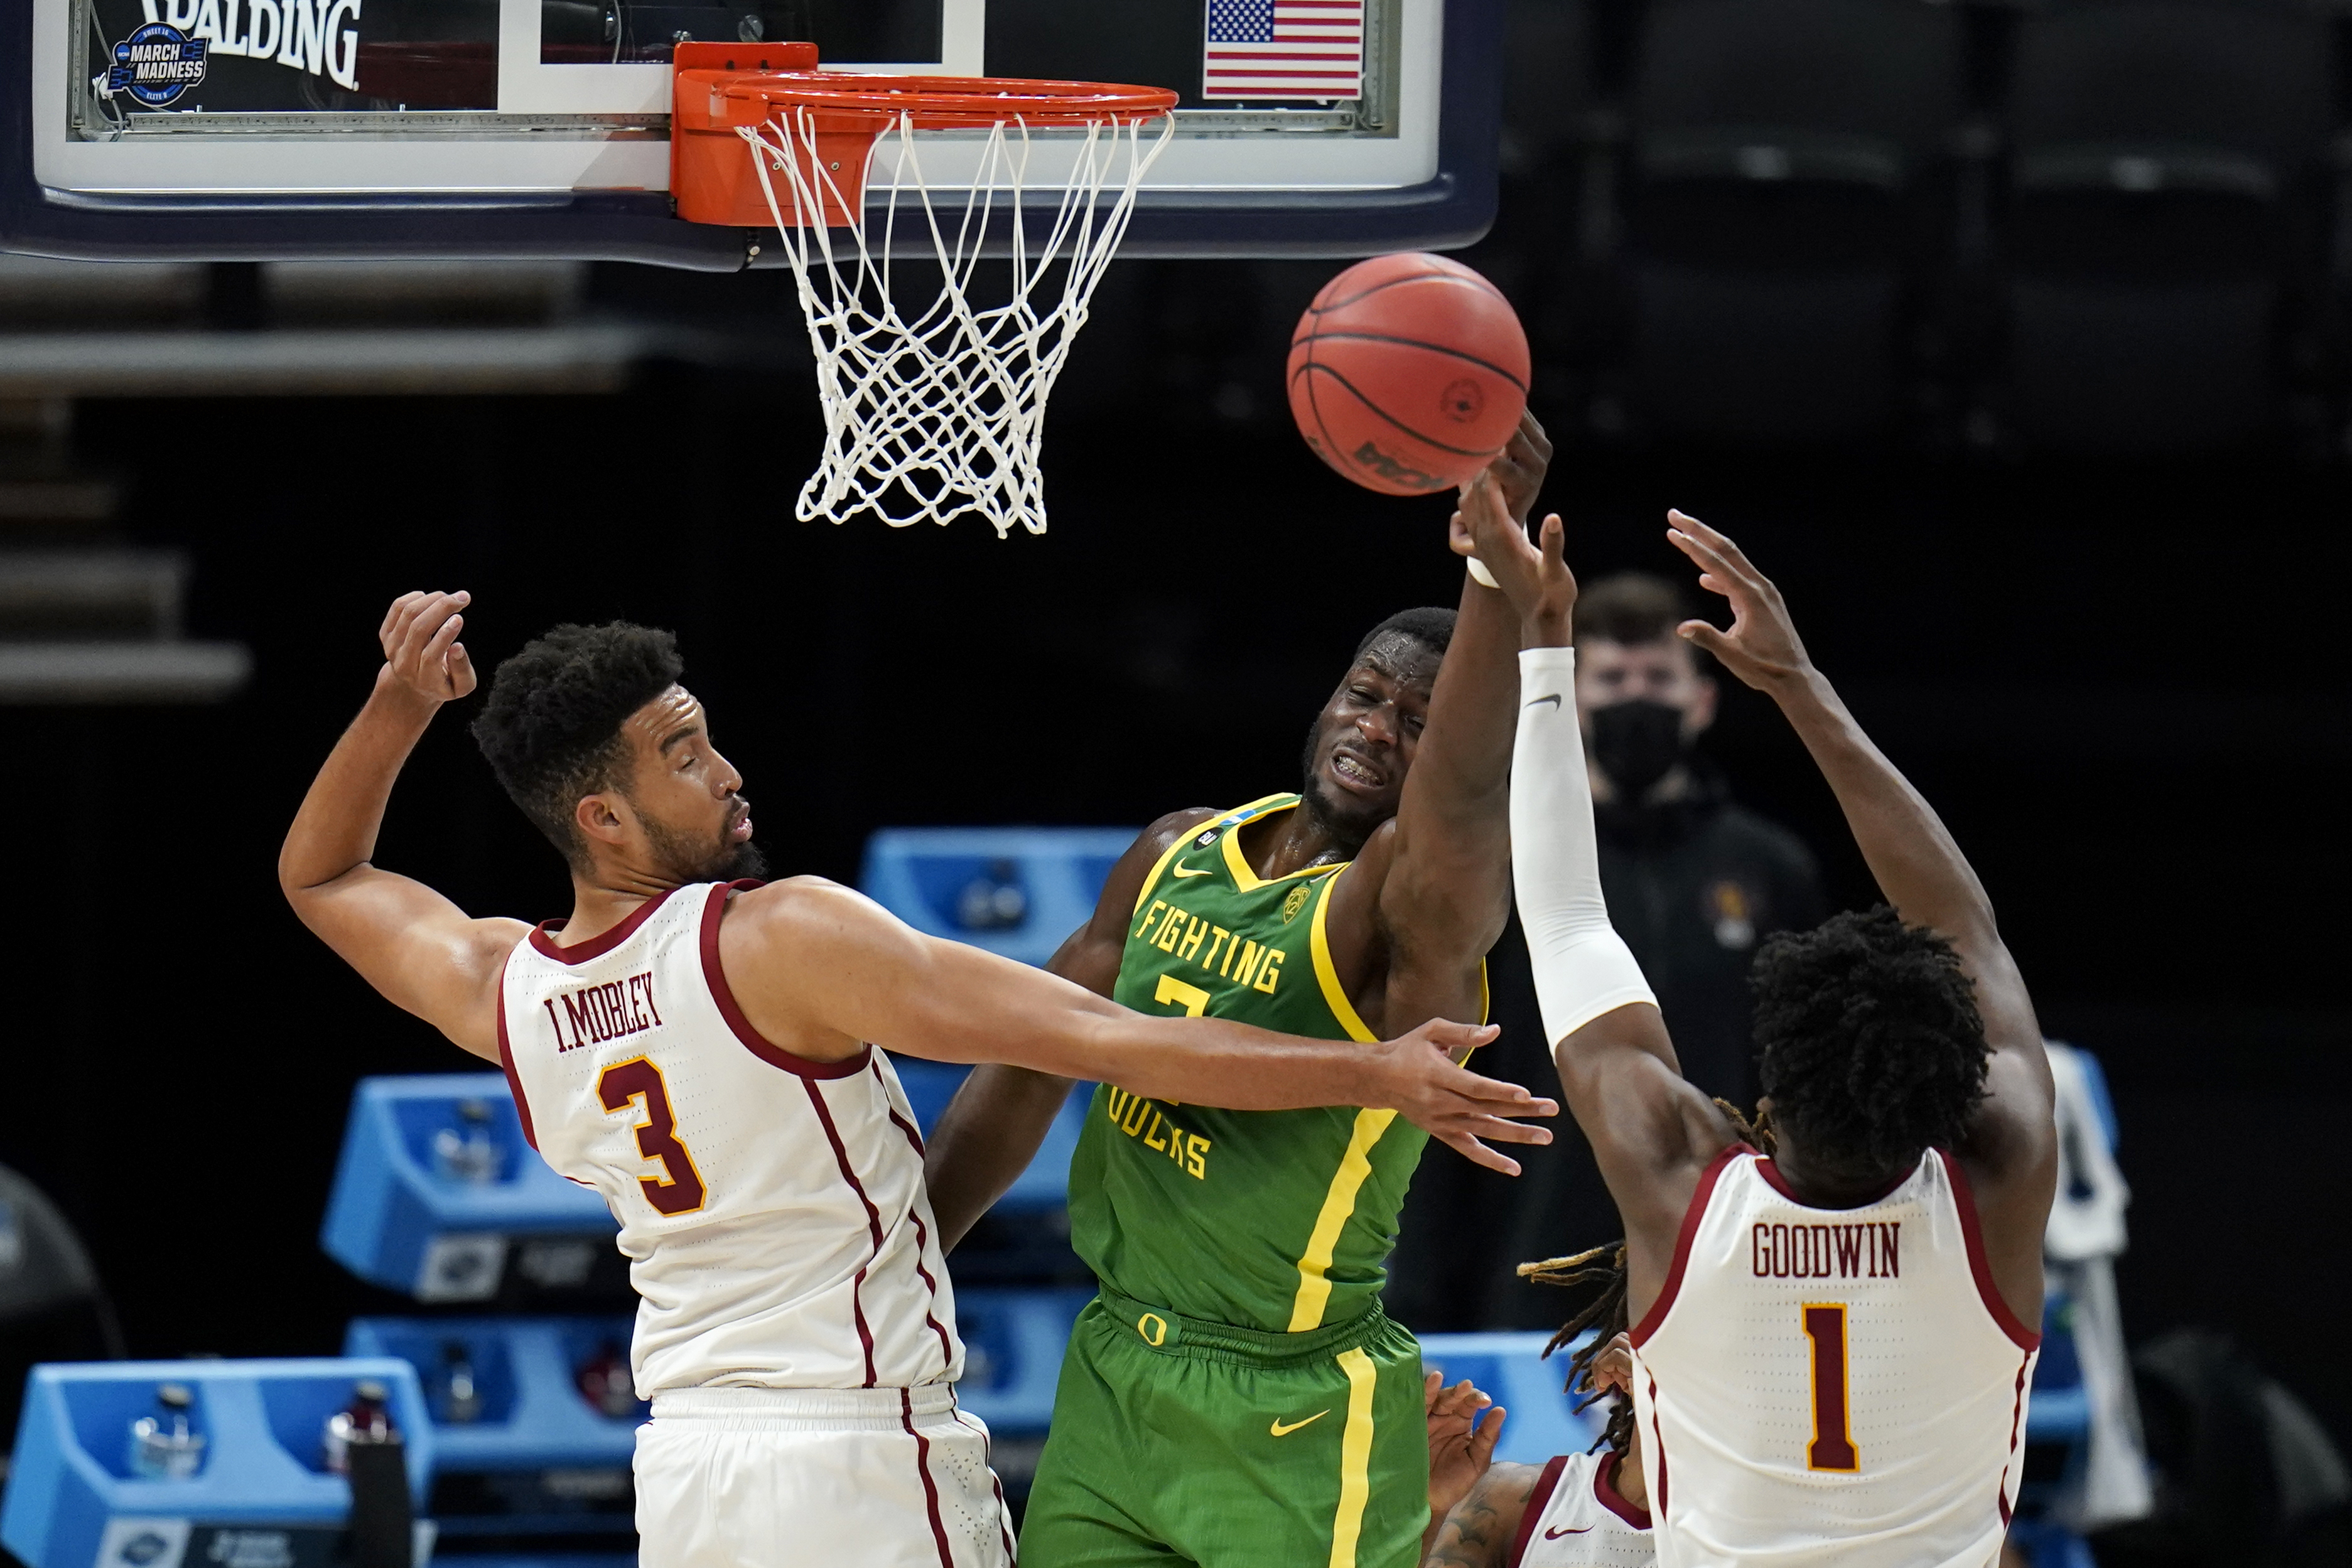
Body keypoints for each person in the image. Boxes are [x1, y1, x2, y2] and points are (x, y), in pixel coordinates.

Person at [277, 593, 1556, 1568]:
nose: (726, 770)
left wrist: (399, 705)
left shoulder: (514, 990)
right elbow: (1099, 1038)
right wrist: (1371, 1072)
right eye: (682, 754)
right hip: (858, 1450)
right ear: (603, 818)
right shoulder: (777, 936)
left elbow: (324, 878)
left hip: (685, 1467)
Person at [920, 416, 1558, 1568]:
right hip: (1116, 1370)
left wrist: (1488, 582)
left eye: (1417, 722)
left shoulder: (1398, 920)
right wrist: (905, 1262)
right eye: (1366, 694)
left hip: (1295, 1401)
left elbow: (1456, 811)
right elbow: (1026, 1063)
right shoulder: (1176, 850)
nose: (1378, 728)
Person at [1489, 498, 2058, 1567]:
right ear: (1952, 1095)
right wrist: (1802, 687)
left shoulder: (1678, 1180)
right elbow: (1966, 930)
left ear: (1770, 1079)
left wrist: (1544, 653)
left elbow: (1564, 915)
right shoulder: (2003, 1176)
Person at [1389, 573, 1825, 1332]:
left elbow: (1802, 1077)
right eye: (1611, 677)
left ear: (1701, 700)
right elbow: (1452, 1059)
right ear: (1572, 699)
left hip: (1722, 1242)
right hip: (1524, 1244)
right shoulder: (1506, 862)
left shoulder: (1771, 869)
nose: (1635, 695)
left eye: (1657, 677)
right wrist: (1416, 1284)